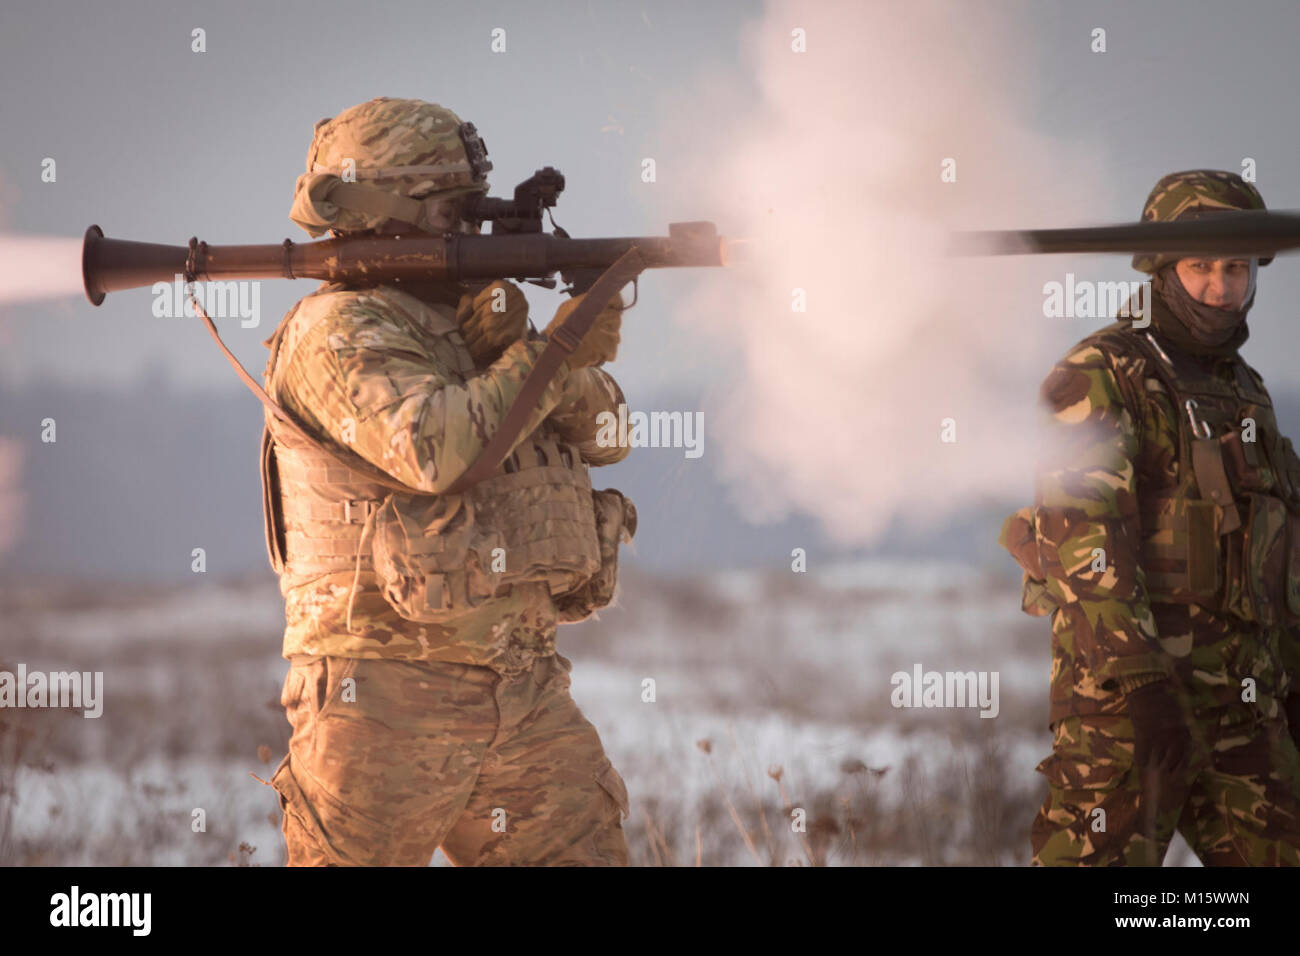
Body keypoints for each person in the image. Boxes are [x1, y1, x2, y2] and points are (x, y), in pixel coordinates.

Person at [260, 97, 637, 866]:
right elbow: (440, 451)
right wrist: (554, 351)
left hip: (522, 687)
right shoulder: (341, 331)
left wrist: (545, 354)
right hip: (381, 700)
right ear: (387, 210)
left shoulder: (472, 326)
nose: (471, 228)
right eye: (454, 211)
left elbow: (612, 438)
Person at [1000, 169, 1300, 865]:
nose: (1221, 288)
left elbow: (1273, 555)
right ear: (1163, 269)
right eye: (1201, 267)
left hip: (1242, 706)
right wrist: (1141, 684)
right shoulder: (1103, 371)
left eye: (1236, 268)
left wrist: (1292, 680)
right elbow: (1085, 540)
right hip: (1129, 712)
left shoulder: (1246, 392)